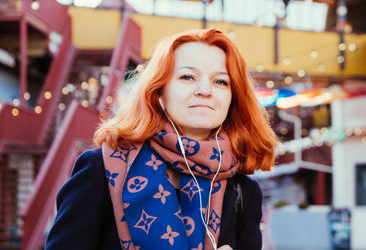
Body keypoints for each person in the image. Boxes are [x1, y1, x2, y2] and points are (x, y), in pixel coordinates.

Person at [45, 29, 277, 250]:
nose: (205, 90)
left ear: (232, 98)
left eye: (221, 82)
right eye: (188, 77)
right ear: (158, 91)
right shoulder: (101, 170)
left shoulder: (244, 193)